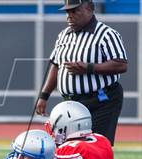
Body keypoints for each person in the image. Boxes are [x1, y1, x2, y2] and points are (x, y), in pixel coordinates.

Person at [35, 0, 127, 146]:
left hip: (101, 100)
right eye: (67, 12)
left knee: (95, 146)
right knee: (66, 146)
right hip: (71, 103)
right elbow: (55, 65)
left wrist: (89, 68)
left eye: (75, 11)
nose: (69, 16)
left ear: (90, 9)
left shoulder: (106, 34)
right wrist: (44, 95)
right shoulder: (64, 35)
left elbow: (121, 64)